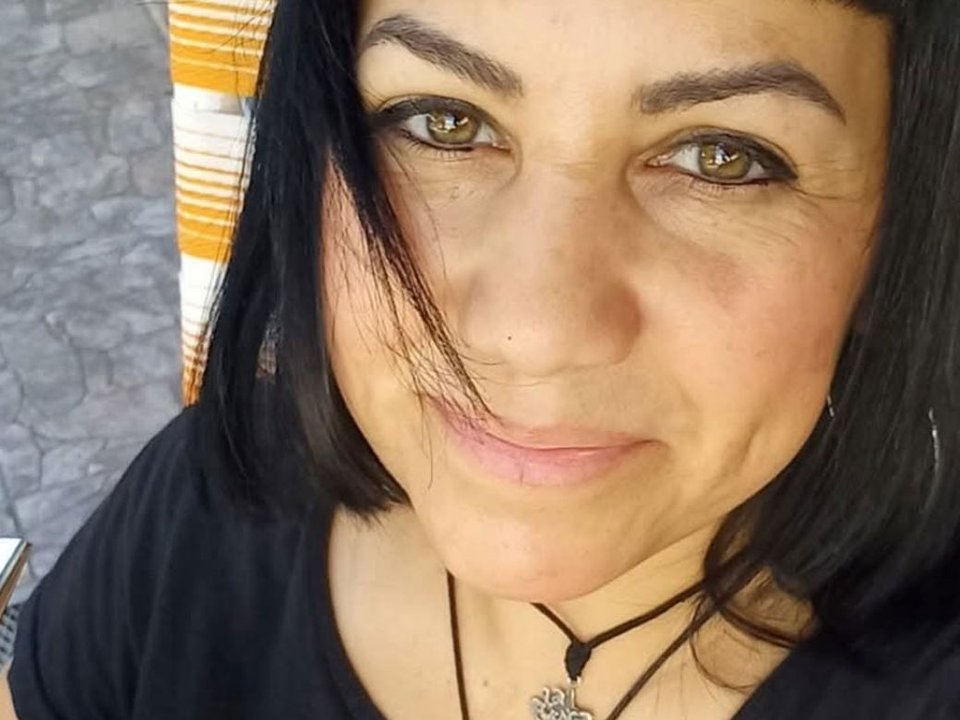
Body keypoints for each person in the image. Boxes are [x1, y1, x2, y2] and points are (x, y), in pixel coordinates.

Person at [4, 0, 960, 717]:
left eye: (722, 157)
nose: (534, 331)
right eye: (443, 123)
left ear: (897, 235)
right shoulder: (209, 507)